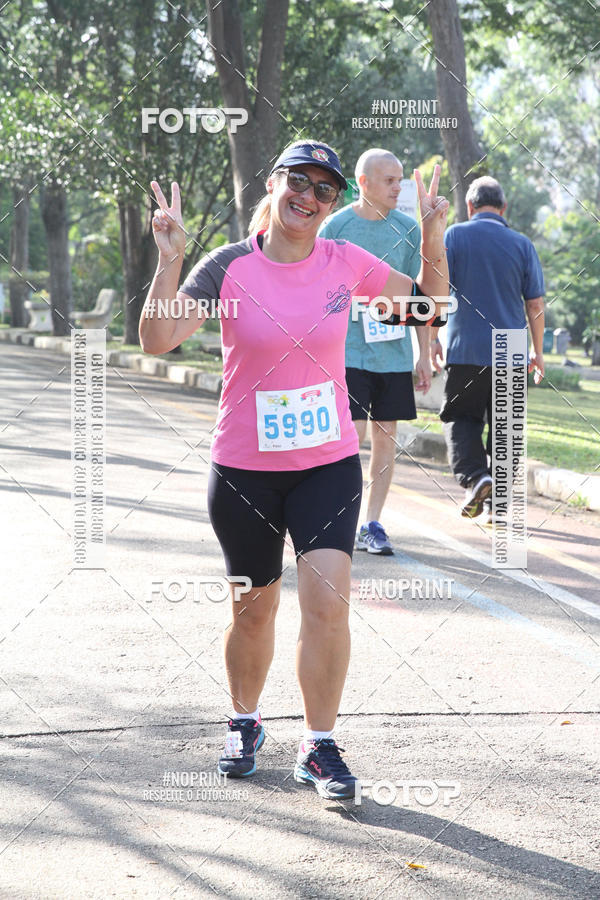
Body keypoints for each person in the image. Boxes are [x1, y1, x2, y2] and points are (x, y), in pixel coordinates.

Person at [140, 140, 449, 800]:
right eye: (298, 181)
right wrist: (170, 262)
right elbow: (156, 339)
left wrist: (431, 228)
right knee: (253, 610)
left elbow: (428, 305)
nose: (309, 197)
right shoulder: (227, 267)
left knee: (328, 605)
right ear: (275, 183)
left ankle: (319, 744)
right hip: (244, 470)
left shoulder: (345, 262)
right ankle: (245, 721)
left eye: (324, 190)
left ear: (334, 202)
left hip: (327, 465)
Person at [318, 149, 431, 555]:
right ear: (362, 183)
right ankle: (337, 519)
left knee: (386, 439)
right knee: (351, 435)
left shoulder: (408, 228)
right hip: (343, 353)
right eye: (389, 180)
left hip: (393, 353)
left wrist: (424, 352)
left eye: (400, 180)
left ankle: (373, 523)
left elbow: (422, 298)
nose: (397, 188)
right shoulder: (335, 226)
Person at [431, 176, 545, 521]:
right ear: (504, 208)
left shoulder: (454, 236)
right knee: (505, 426)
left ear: (470, 206)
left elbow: (435, 290)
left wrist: (433, 337)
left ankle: (477, 477)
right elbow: (535, 304)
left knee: (460, 417)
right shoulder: (522, 244)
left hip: (465, 346)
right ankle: (499, 506)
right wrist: (537, 351)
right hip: (511, 348)